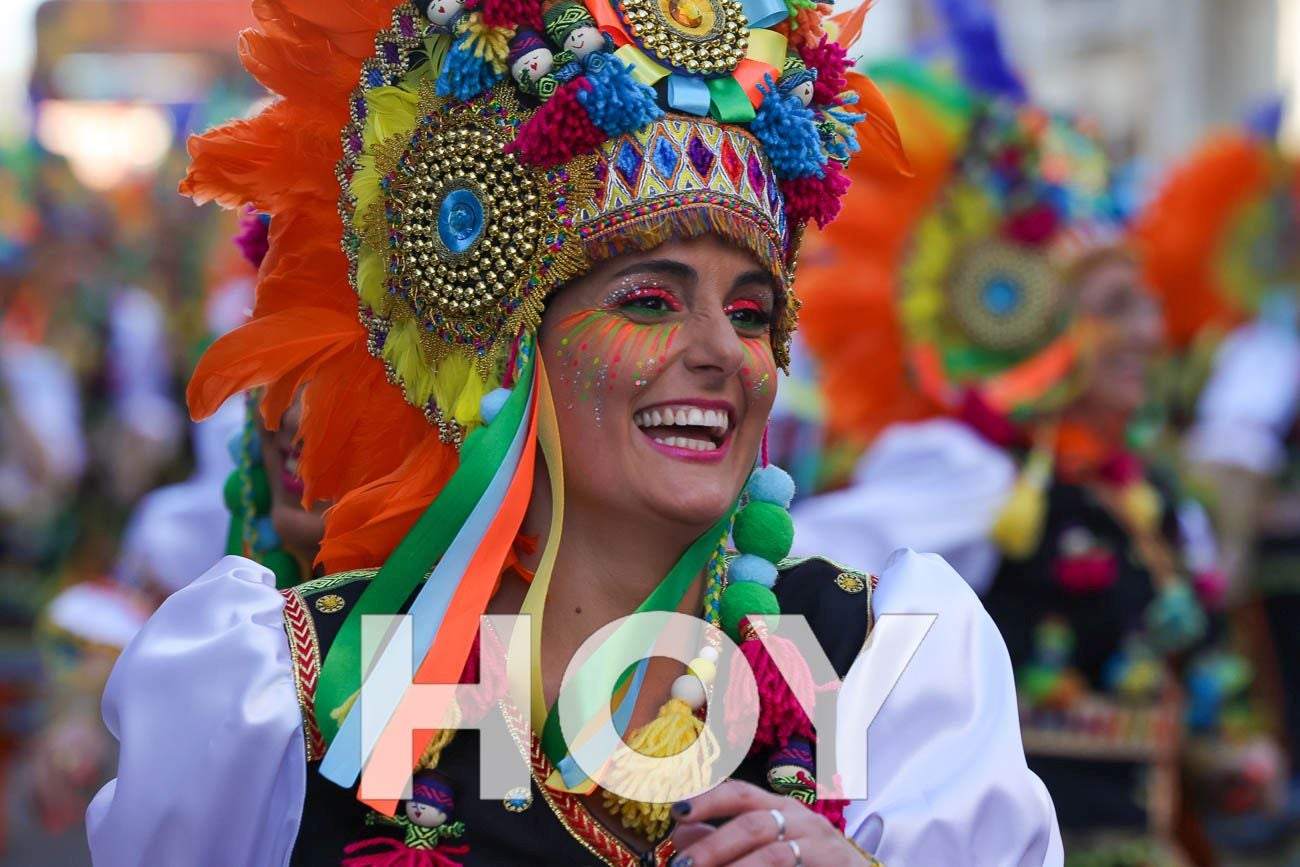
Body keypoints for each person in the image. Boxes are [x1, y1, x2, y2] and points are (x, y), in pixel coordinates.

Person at [86, 0, 1062, 864]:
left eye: (754, 313)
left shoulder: (881, 666)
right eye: (647, 302)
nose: (722, 350)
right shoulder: (284, 693)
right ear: (513, 349)